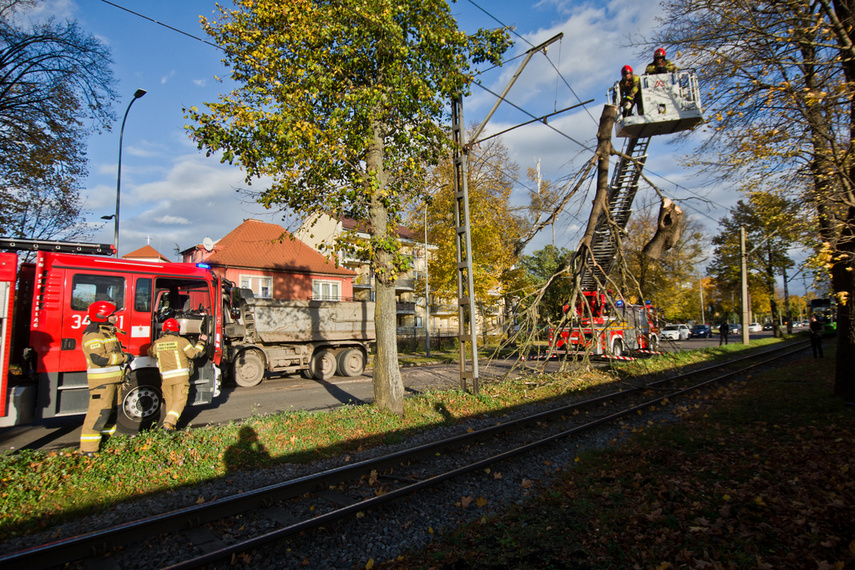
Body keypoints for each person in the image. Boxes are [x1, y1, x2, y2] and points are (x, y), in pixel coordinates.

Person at [80, 301, 134, 456]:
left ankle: (104, 441)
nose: (114, 317)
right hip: (102, 383)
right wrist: (123, 357)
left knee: (113, 413)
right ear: (101, 316)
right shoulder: (93, 335)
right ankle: (88, 449)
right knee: (98, 414)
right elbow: (99, 359)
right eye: (111, 315)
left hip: (115, 380)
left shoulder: (108, 333)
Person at [148, 318, 207, 430]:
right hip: (180, 378)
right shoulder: (182, 341)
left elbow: (150, 353)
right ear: (177, 329)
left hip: (165, 379)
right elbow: (193, 354)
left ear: (165, 330)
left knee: (170, 403)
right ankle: (169, 422)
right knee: (180, 400)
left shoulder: (157, 343)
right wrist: (201, 342)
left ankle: (169, 426)